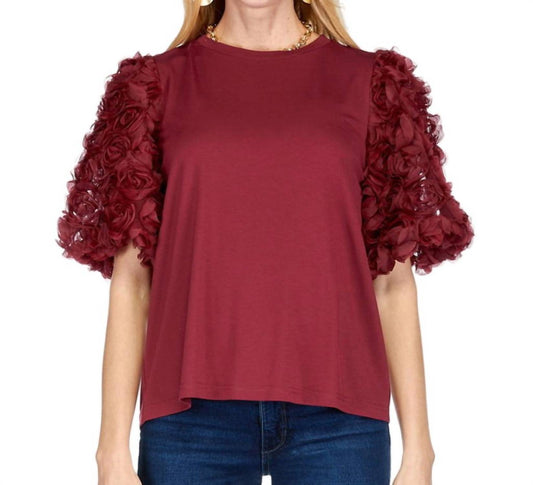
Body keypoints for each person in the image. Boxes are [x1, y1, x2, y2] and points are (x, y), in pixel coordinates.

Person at [56, 0, 475, 484]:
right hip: (190, 421)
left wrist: (420, 451)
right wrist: (110, 451)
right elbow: (132, 282)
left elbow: (393, 283)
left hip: (339, 421)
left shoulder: (369, 84)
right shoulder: (155, 86)